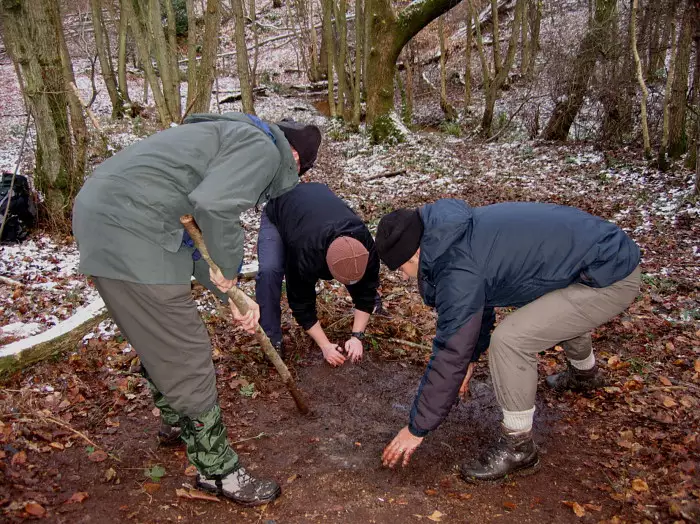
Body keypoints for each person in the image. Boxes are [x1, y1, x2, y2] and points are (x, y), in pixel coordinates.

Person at [72, 112, 321, 505]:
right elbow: (215, 208)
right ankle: (217, 471)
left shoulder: (224, 136)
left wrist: (230, 298)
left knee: (156, 338)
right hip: (133, 230)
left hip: (104, 216)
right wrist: (233, 273)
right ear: (293, 157)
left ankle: (176, 421)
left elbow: (194, 239)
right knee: (186, 353)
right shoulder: (263, 149)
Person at [375, 199, 640, 482]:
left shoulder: (457, 269)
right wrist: (470, 359)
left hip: (609, 275)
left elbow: (451, 349)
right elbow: (480, 302)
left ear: (414, 255)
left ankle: (518, 446)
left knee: (510, 340)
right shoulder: (452, 233)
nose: (404, 276)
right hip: (601, 253)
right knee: (555, 305)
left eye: (401, 269)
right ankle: (584, 375)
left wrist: (416, 429)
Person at [256, 182, 380, 365]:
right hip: (280, 208)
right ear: (326, 267)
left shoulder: (365, 246)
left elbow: (367, 289)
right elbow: (301, 304)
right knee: (270, 270)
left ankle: (370, 312)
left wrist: (357, 336)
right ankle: (271, 339)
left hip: (318, 201)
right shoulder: (304, 253)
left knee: (362, 285)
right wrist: (325, 346)